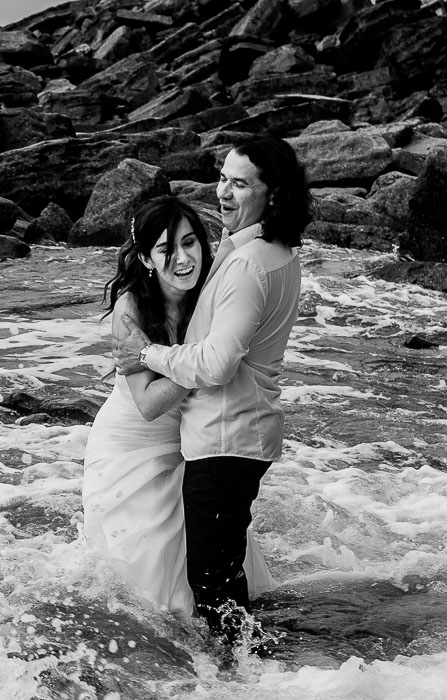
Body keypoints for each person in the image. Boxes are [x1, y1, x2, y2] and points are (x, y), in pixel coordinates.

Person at [115, 136, 308, 646]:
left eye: (240, 183)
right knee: (220, 574)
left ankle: (249, 674)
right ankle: (249, 663)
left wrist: (148, 355)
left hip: (226, 438)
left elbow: (219, 362)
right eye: (222, 177)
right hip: (241, 433)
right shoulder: (274, 251)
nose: (223, 191)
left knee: (211, 581)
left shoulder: (248, 263)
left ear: (273, 193)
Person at [82, 195, 272, 627]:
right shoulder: (131, 308)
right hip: (132, 445)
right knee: (149, 578)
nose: (183, 258)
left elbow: (243, 242)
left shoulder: (210, 290)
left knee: (208, 558)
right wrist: (207, 364)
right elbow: (149, 404)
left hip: (190, 439)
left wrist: (189, 359)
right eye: (167, 249)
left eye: (190, 243)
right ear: (147, 259)